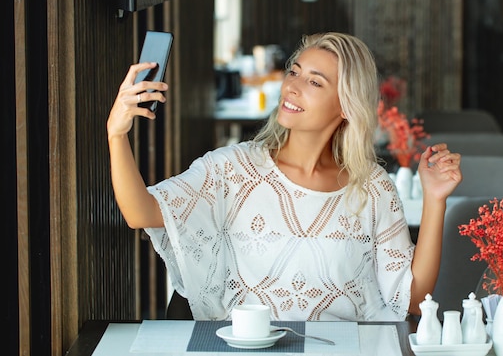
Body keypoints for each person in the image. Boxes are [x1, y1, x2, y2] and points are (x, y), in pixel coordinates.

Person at [107, 32, 462, 321]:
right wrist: (116, 135)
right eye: (294, 71)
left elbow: (413, 299)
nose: (292, 86)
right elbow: (140, 213)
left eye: (314, 82)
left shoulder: (371, 187)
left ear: (345, 106)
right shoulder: (231, 169)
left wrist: (435, 199)